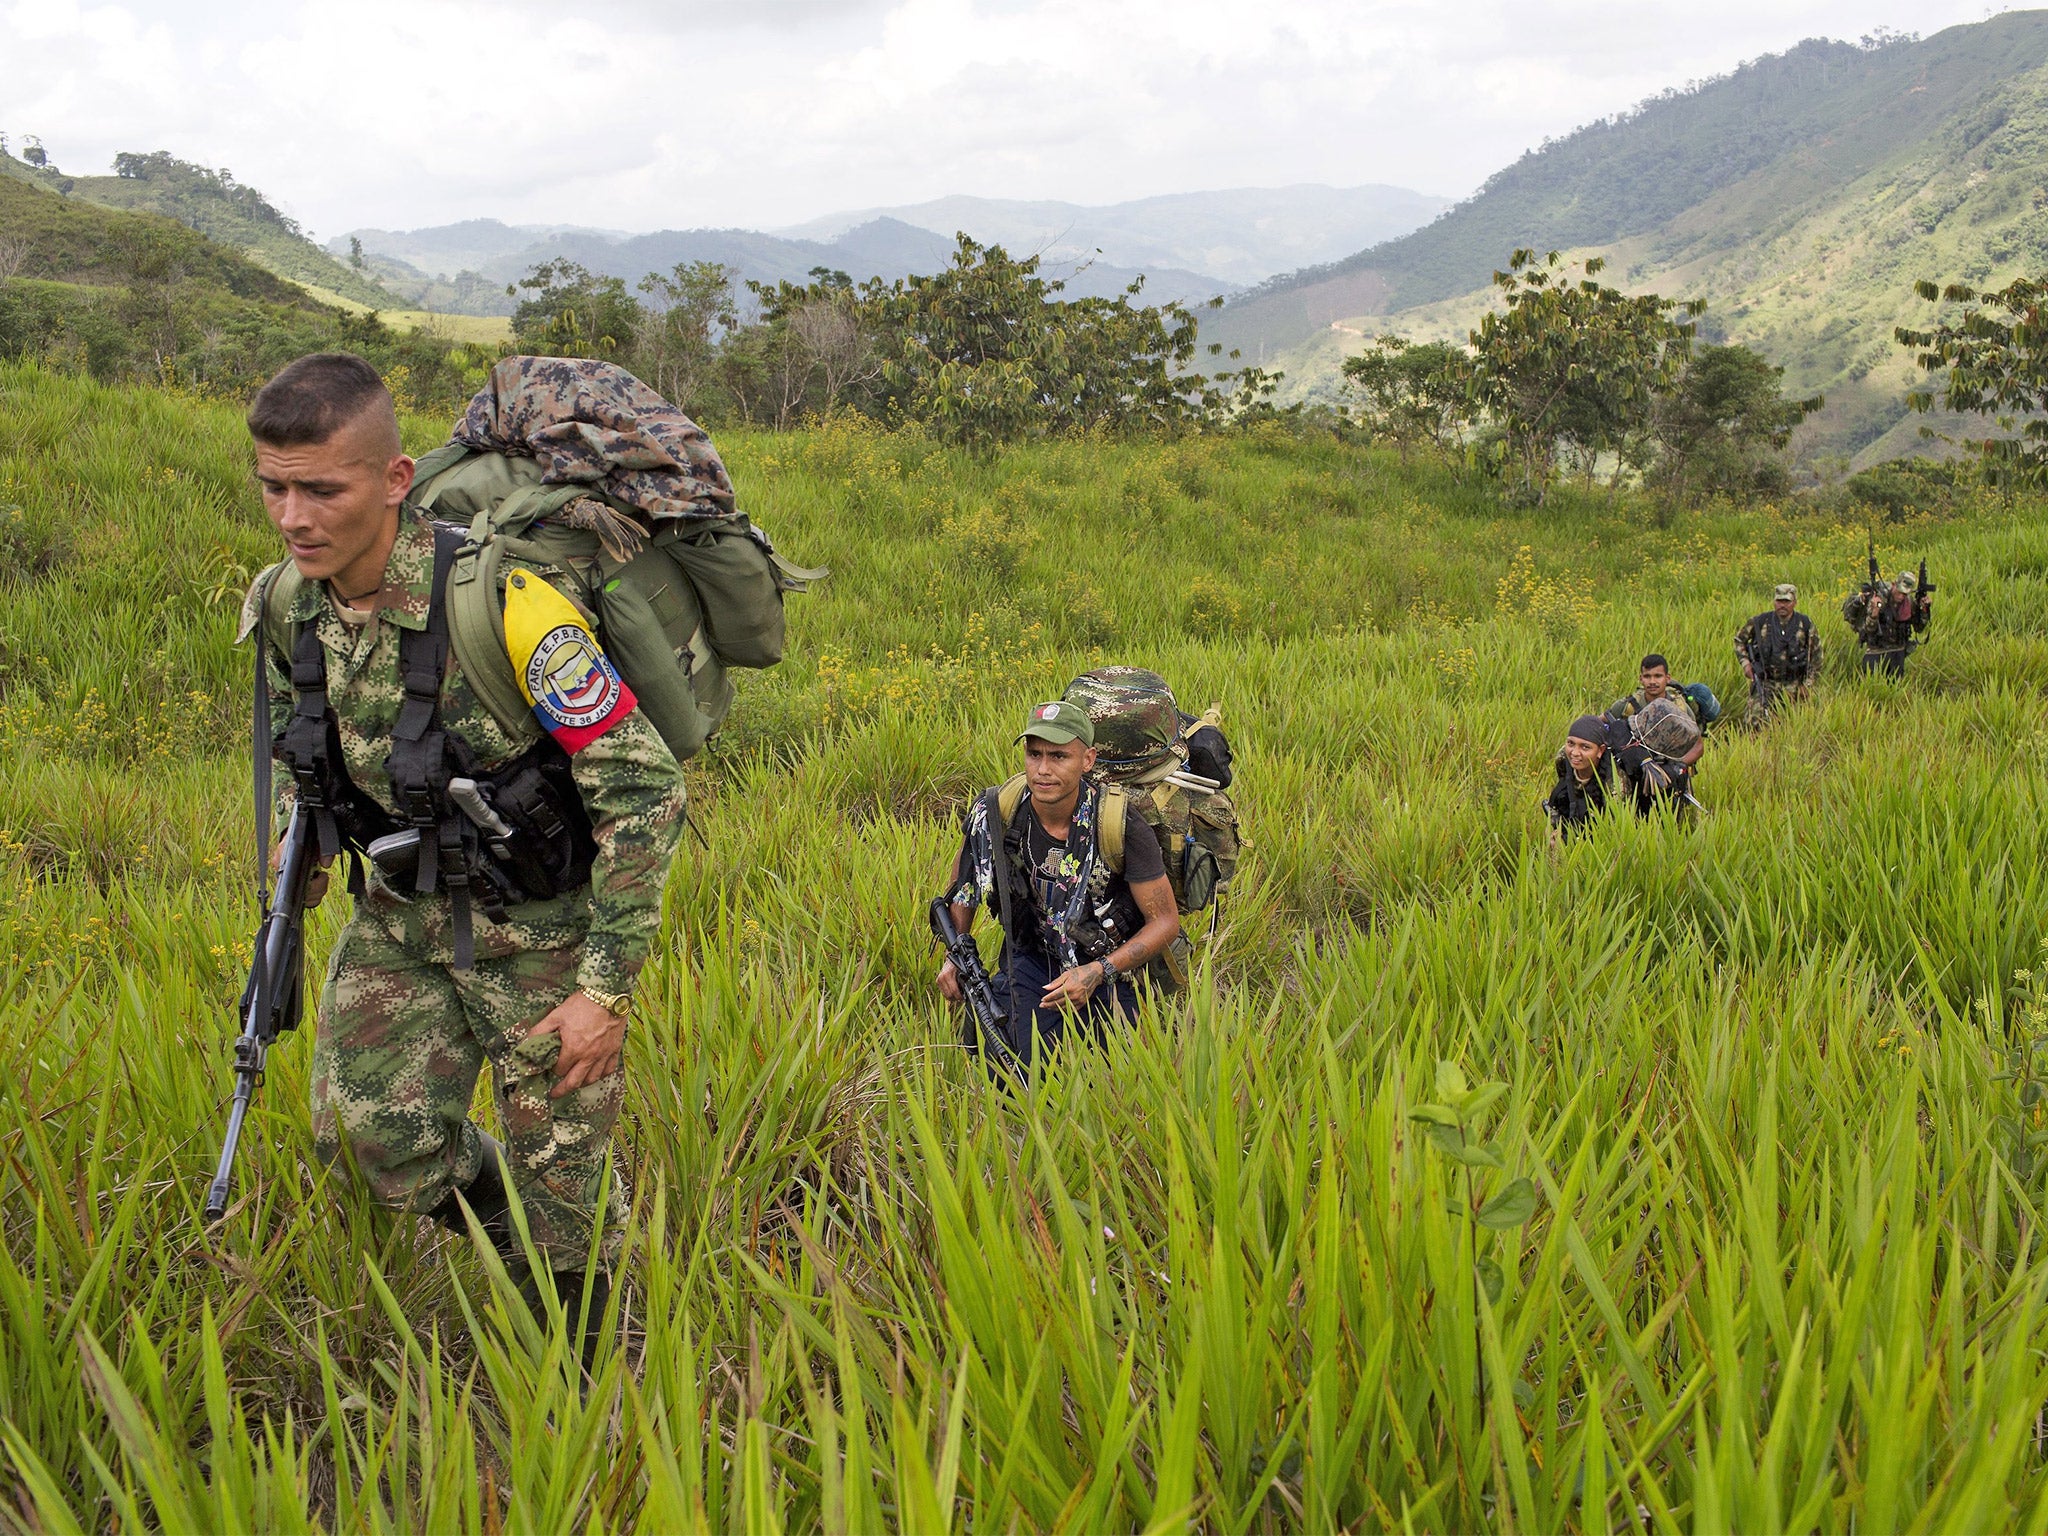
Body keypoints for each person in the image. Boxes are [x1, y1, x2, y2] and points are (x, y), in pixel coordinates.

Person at [237, 353, 685, 1359]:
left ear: (394, 482)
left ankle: (577, 1386)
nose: (293, 516)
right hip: (399, 915)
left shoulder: (507, 603)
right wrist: (299, 847)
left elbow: (645, 791)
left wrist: (604, 994)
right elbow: (301, 736)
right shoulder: (284, 603)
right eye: (274, 487)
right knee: (365, 1140)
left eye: (322, 489)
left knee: (564, 1187)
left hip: (541, 936)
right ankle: (501, 1222)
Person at [936, 700, 1183, 1068]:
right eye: (1034, 754)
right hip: (1032, 957)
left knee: (1128, 1072)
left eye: (1059, 756)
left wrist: (1098, 972)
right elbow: (965, 887)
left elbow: (1165, 922)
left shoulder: (1118, 824)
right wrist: (955, 956)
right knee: (1007, 1070)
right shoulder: (998, 810)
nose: (1043, 770)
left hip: (1108, 965)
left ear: (1087, 760)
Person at [1735, 582, 1822, 720]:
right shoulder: (1759, 622)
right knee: (1754, 722)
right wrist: (1746, 663)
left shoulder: (1805, 624)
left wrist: (1807, 685)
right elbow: (1739, 640)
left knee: (1794, 724)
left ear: (1794, 602)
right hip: (1764, 684)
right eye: (1779, 601)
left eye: (1786, 601)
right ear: (1774, 601)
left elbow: (1816, 657)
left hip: (1794, 686)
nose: (1782, 605)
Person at [1607, 654, 1707, 768]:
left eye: (1658, 676)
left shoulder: (1680, 707)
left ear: (1667, 678)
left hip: (1672, 770)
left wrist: (1677, 767)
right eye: (1647, 676)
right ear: (1641, 678)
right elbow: (1600, 724)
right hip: (1634, 768)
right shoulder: (1628, 706)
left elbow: (1698, 746)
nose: (1652, 681)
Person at [1844, 568, 1932, 677]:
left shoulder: (1908, 603)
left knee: (1895, 684)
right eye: (1899, 592)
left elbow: (1919, 628)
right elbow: (1868, 630)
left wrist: (1924, 610)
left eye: (1904, 594)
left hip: (1898, 652)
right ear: (1894, 584)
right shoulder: (1879, 598)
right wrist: (1875, 613)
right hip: (1876, 652)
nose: (1900, 597)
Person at [1544, 715, 1618, 838]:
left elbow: (1613, 833)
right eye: (1571, 743)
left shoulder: (1614, 780)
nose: (1575, 753)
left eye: (1585, 747)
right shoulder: (1563, 758)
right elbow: (1569, 789)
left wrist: (1572, 841)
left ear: (1600, 750)